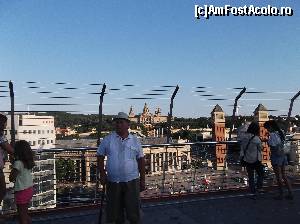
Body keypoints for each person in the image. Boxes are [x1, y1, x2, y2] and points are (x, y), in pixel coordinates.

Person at [97, 112, 145, 224]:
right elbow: (100, 156)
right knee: (114, 211)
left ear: (128, 125)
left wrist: (142, 180)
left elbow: (141, 160)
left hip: (132, 180)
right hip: (113, 182)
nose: (118, 125)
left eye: (121, 122)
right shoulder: (108, 139)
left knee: (133, 210)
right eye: (117, 122)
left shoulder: (135, 140)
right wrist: (103, 174)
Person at [264, 120, 293, 200]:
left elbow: (272, 145)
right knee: (284, 175)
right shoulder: (281, 132)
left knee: (278, 176)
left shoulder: (272, 135)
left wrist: (268, 140)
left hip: (276, 156)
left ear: (270, 127)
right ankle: (290, 192)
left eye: (267, 128)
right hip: (283, 156)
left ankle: (281, 194)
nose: (267, 130)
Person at [9, 140, 35, 224]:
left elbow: (11, 177)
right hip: (29, 189)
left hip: (21, 191)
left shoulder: (18, 163)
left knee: (22, 217)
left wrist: (13, 165)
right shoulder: (27, 162)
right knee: (25, 214)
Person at [240, 122, 264, 198]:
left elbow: (242, 149)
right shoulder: (256, 138)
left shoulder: (244, 138)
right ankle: (259, 188)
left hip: (247, 159)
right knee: (261, 174)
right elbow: (261, 148)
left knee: (251, 177)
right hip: (256, 160)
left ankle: (253, 192)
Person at [0, 114, 14, 205]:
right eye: (5, 123)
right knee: (2, 190)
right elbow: (9, 149)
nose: (6, 125)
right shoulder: (0, 136)